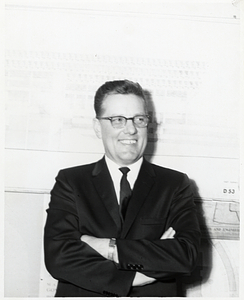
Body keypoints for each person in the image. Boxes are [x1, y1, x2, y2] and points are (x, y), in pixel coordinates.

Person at [44, 79, 200, 297]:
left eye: (139, 119)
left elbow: (187, 255)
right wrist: (138, 276)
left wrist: (108, 247)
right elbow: (58, 257)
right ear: (98, 127)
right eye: (117, 120)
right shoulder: (71, 181)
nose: (130, 129)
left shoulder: (175, 184)